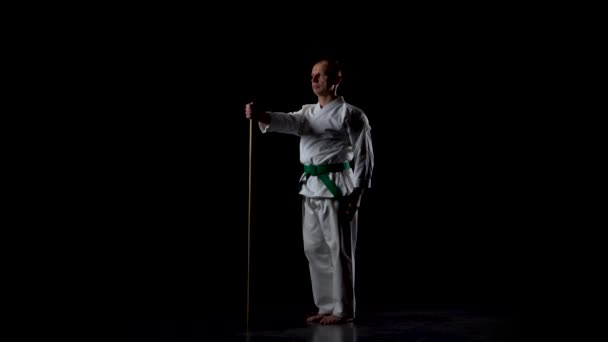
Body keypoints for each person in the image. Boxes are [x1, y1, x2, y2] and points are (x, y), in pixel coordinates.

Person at [245, 57, 374, 325]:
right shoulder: (308, 114)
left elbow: (364, 155)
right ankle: (326, 305)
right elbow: (288, 122)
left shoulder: (350, 114)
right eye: (312, 75)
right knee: (314, 248)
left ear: (337, 79)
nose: (314, 80)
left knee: (338, 250)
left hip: (338, 187)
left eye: (321, 75)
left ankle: (343, 310)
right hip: (311, 187)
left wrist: (358, 192)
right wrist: (261, 116)